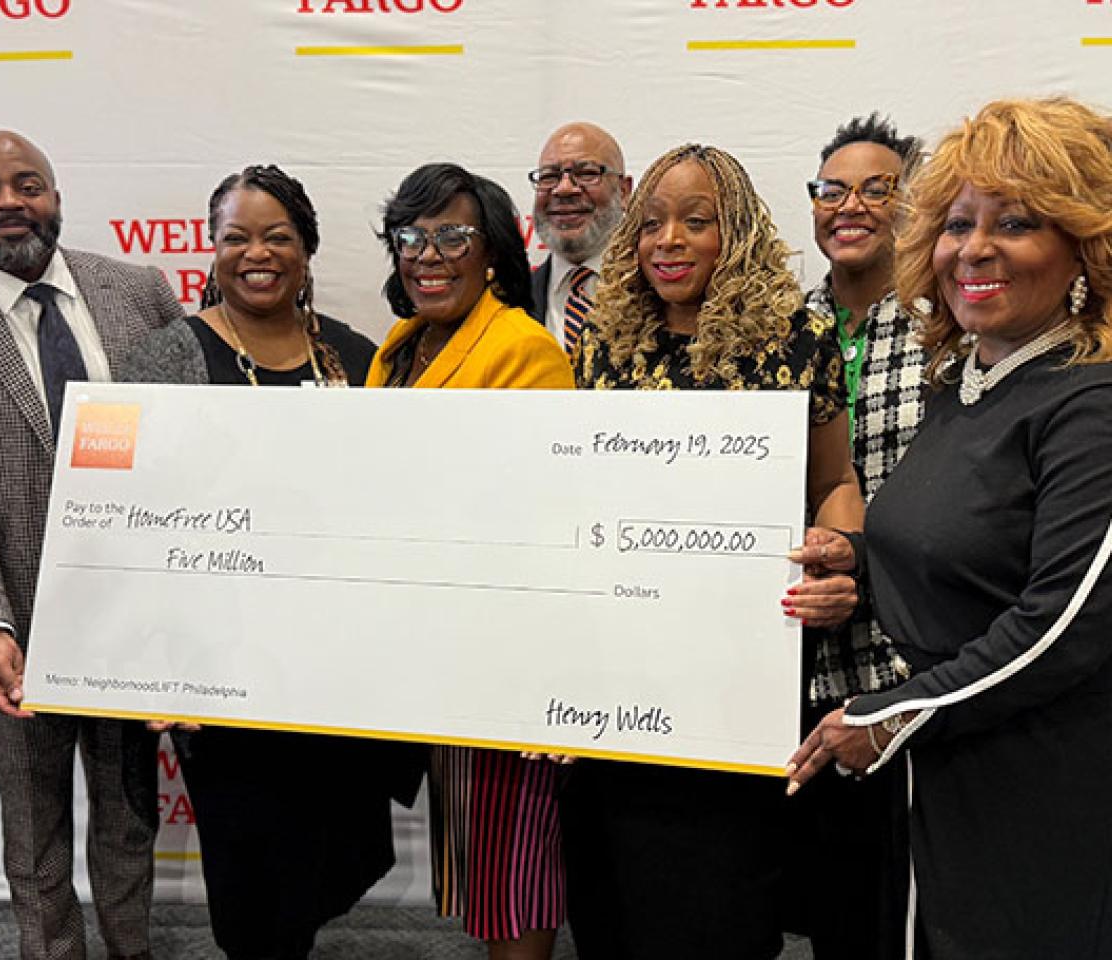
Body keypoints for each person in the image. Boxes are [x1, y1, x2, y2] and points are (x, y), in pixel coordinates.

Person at [786, 96, 1112, 960]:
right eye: (958, 224)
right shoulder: (964, 381)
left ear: (1084, 247)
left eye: (1016, 222)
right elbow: (960, 545)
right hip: (953, 776)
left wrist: (896, 714)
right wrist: (853, 559)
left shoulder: (1093, 400)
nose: (974, 249)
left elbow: (1067, 627)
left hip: (1051, 788)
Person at [563, 143, 864, 959]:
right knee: (614, 905)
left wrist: (842, 549)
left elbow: (836, 481)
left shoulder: (797, 334)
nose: (670, 239)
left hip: (739, 673)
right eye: (652, 221)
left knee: (718, 904)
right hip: (618, 672)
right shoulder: (602, 342)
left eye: (697, 221)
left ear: (735, 232)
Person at [0, 129, 183, 960]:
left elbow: (192, 450)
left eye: (29, 183)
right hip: (14, 635)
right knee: (34, 843)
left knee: (129, 825)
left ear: (56, 196)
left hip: (134, 625)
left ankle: (133, 951)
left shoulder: (139, 292)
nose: (10, 202)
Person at [120, 163, 400, 960]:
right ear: (210, 250)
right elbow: (133, 529)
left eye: (278, 236)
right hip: (222, 676)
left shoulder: (355, 356)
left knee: (318, 864)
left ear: (307, 250)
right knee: (250, 886)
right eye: (236, 237)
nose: (258, 253)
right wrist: (155, 660)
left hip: (332, 675)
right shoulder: (165, 359)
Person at [367, 162, 573, 960]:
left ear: (492, 253)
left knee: (514, 858)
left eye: (452, 236)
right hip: (434, 641)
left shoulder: (524, 348)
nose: (428, 254)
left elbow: (544, 515)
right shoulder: (401, 343)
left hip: (505, 645)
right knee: (482, 855)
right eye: (411, 236)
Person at [784, 114, 926, 960]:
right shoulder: (783, 332)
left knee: (904, 915)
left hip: (912, 670)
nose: (851, 206)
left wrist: (867, 573)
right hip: (802, 668)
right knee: (831, 918)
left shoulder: (950, 330)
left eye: (878, 189)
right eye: (832, 189)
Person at [528, 122, 631, 356]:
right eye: (549, 176)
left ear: (624, 191)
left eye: (587, 174)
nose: (564, 189)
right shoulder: (510, 299)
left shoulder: (661, 294)